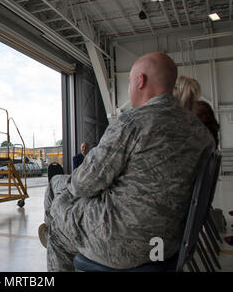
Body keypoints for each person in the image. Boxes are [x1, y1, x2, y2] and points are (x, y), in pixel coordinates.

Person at [39, 52, 215, 271]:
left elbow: (83, 184)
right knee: (63, 193)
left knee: (59, 209)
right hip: (166, 244)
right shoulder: (202, 135)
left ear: (140, 81)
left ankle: (53, 233)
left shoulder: (133, 122)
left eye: (130, 81)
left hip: (123, 244)